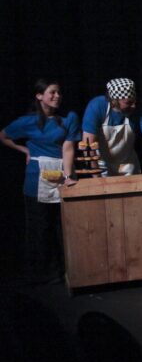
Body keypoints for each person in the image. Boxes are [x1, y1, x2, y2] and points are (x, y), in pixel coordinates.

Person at [0, 78, 81, 284]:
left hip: (60, 173)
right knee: (39, 227)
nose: (57, 96)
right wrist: (24, 149)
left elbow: (68, 148)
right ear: (39, 96)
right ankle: (42, 273)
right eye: (52, 92)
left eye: (59, 92)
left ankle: (65, 270)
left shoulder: (69, 118)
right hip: (37, 178)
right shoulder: (27, 121)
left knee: (61, 226)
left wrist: (69, 176)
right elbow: (3, 135)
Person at [81, 78, 142, 175]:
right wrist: (96, 176)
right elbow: (88, 144)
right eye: (128, 103)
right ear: (114, 101)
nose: (134, 106)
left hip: (128, 165)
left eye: (134, 101)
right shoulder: (97, 106)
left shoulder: (140, 107)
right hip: (101, 166)